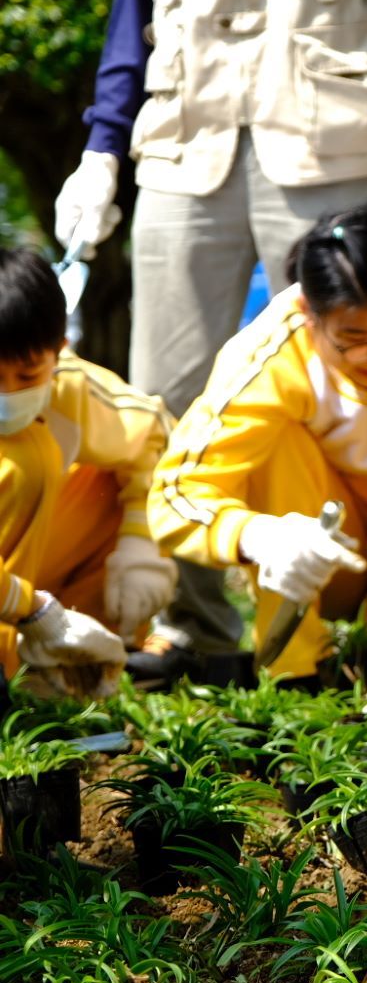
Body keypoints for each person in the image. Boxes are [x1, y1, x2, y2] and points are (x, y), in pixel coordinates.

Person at [52, 0, 367, 678]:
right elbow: (128, 17)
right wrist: (102, 147)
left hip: (329, 141)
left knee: (336, 382)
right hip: (181, 143)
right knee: (164, 391)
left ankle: (329, 634)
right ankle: (192, 629)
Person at [148, 206, 367, 683]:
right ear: (307, 314)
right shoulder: (267, 351)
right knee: (275, 446)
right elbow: (177, 492)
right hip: (312, 550)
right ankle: (295, 672)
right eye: (353, 338)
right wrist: (258, 537)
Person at [0, 247, 176, 697]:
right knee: (27, 462)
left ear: (59, 352)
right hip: (20, 594)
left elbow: (157, 439)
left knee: (100, 485)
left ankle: (64, 666)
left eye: (26, 375)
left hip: (32, 579)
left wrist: (141, 548)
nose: (8, 394)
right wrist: (31, 607)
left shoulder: (76, 395)